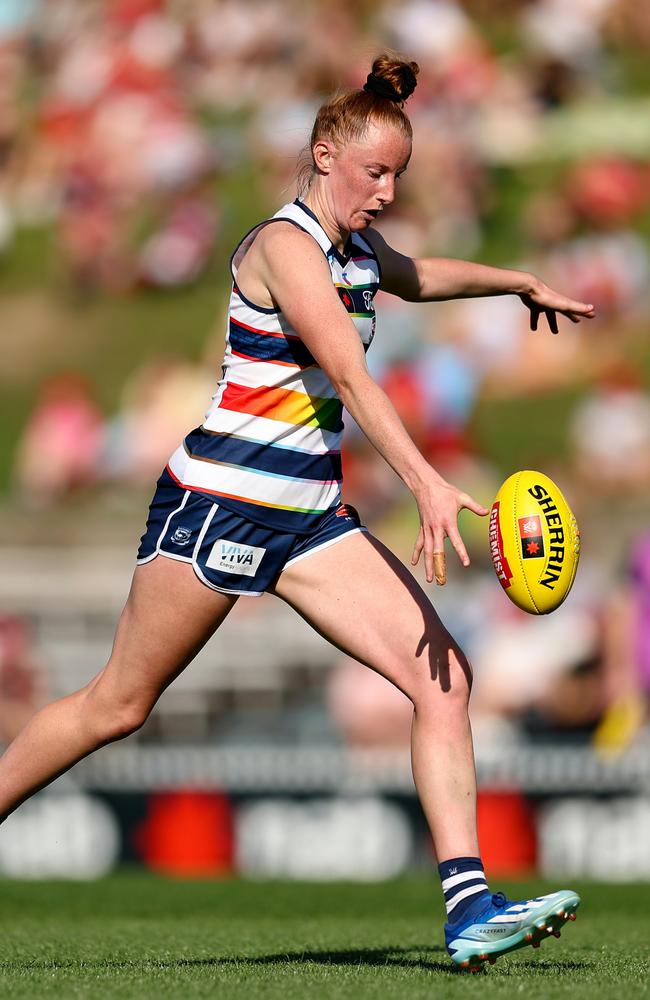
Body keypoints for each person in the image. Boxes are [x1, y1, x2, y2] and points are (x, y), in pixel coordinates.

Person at [0, 54, 592, 970]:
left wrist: (516, 281)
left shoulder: (357, 251)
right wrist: (429, 483)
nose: (389, 192)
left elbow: (418, 275)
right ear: (324, 156)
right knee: (119, 704)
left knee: (445, 681)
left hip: (310, 518)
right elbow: (350, 373)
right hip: (219, 506)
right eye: (375, 173)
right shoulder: (284, 246)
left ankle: (469, 910)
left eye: (400, 175)